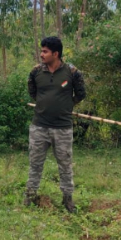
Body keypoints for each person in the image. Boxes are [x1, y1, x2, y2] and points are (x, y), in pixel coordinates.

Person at [25, 36, 86, 213]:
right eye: (41, 50)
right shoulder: (36, 72)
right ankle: (30, 197)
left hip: (63, 128)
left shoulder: (72, 73)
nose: (41, 54)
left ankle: (68, 200)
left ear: (56, 53)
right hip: (39, 127)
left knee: (65, 165)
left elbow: (80, 94)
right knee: (35, 164)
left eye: (45, 51)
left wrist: (65, 105)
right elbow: (33, 93)